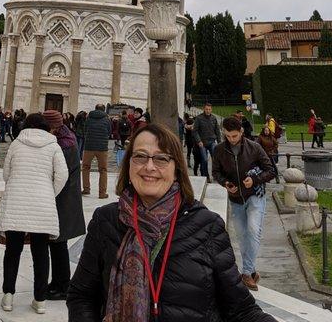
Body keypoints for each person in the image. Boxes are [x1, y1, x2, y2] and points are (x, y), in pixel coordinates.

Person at [67, 123, 278, 322]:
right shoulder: (105, 221)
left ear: (176, 168)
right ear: (128, 165)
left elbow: (241, 309)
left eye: (161, 159)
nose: (149, 167)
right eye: (140, 157)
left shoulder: (208, 226)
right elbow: (82, 295)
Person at [0, 113, 68, 314]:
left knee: (12, 251)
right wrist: (49, 192)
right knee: (41, 254)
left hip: (16, 201)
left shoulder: (17, 144)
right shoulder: (53, 146)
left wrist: (17, 185)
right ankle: (40, 300)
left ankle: (8, 296)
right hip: (42, 204)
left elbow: (6, 174)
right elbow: (63, 175)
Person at [212, 117, 275, 291]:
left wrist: (254, 180)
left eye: (234, 136)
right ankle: (252, 271)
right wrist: (225, 183)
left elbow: (271, 170)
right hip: (236, 199)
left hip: (255, 195)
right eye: (228, 136)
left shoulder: (254, 147)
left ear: (241, 132)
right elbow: (216, 172)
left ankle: (246, 273)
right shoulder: (219, 150)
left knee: (254, 230)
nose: (232, 139)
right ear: (224, 133)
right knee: (241, 235)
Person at [43, 110, 86, 301]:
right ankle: (58, 282)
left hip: (64, 198)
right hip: (63, 198)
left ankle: (63, 286)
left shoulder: (64, 145)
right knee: (56, 242)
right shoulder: (64, 139)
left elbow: (61, 175)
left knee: (59, 242)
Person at [82, 104, 112, 199]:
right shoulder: (107, 119)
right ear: (104, 110)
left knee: (85, 168)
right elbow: (109, 131)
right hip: (102, 148)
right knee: (103, 170)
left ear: (95, 109)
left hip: (89, 146)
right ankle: (102, 193)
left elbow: (85, 130)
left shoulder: (89, 118)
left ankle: (86, 189)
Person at [193, 103, 221, 182]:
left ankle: (216, 175)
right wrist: (199, 141)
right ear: (204, 109)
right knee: (204, 160)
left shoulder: (214, 118)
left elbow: (217, 131)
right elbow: (195, 131)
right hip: (202, 142)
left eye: (209, 109)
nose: (208, 111)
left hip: (212, 141)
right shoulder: (199, 118)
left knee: (215, 159)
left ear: (211, 110)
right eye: (206, 109)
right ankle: (206, 176)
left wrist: (219, 142)